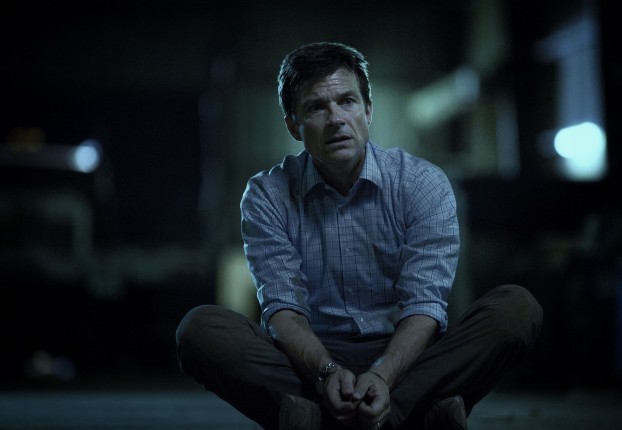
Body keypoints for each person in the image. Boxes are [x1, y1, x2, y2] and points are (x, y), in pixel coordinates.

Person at [176, 41, 543, 430]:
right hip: (311, 358)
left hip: (406, 352)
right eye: (316, 107)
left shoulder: (422, 185)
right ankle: (415, 415)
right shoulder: (268, 194)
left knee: (516, 310)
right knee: (200, 331)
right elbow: (283, 309)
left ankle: (342, 417)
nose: (336, 118)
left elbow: (423, 305)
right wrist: (326, 372)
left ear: (368, 110)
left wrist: (383, 376)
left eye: (347, 101)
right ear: (293, 125)